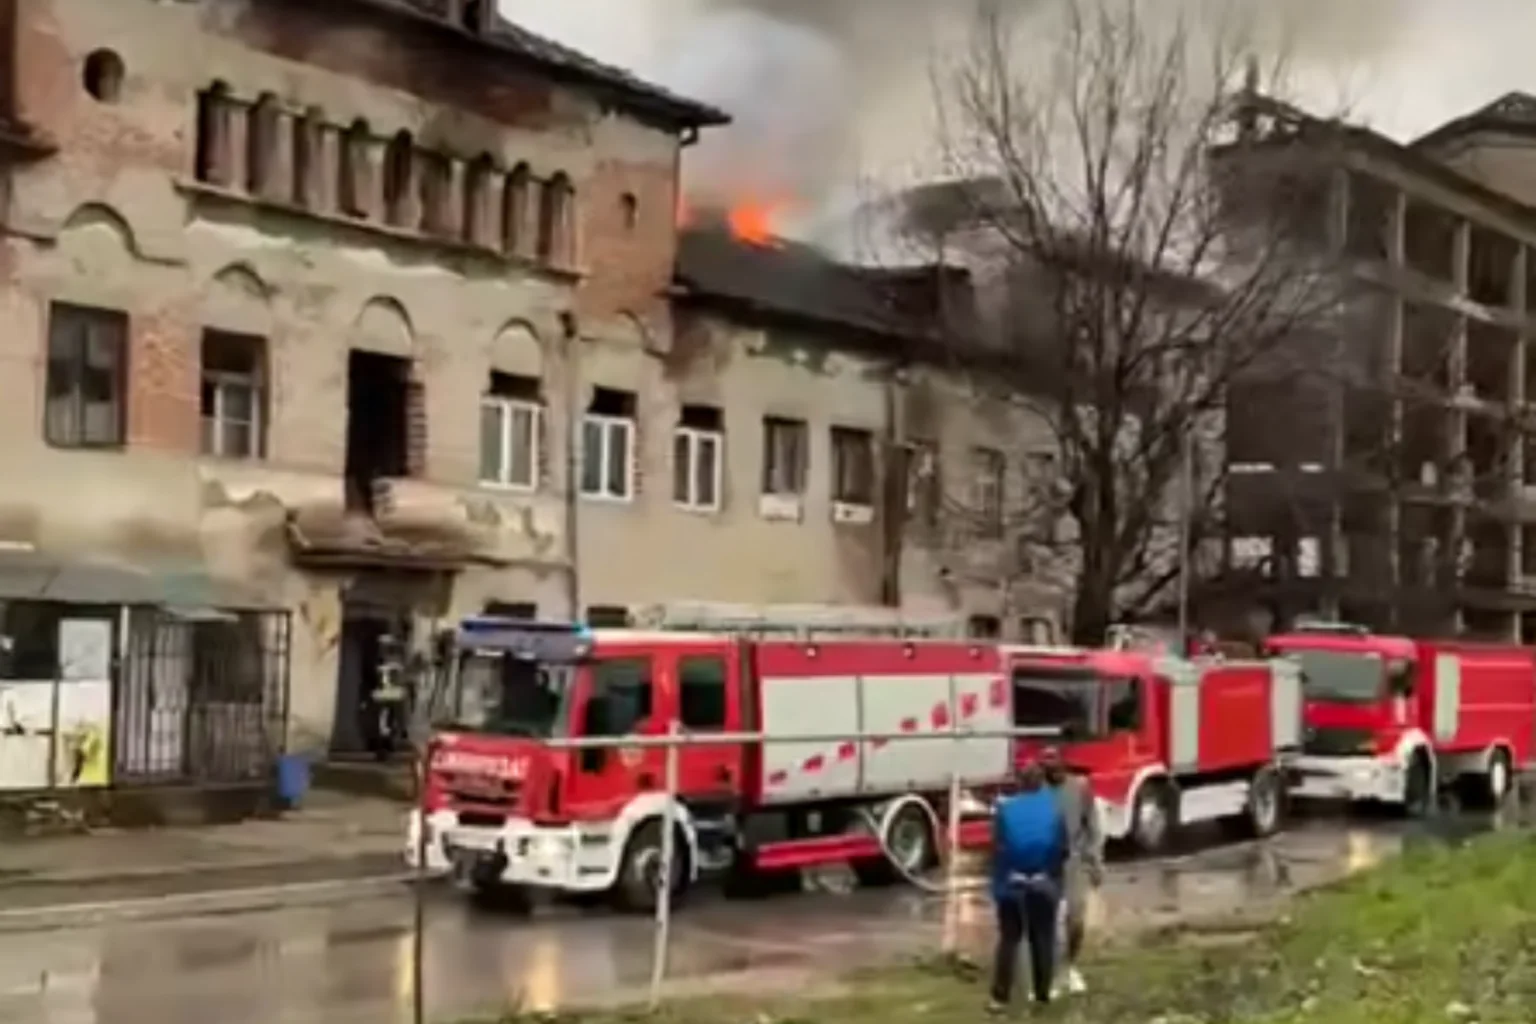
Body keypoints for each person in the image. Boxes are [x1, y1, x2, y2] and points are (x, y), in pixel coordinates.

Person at [988, 761, 1069, 1012]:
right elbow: (1062, 849)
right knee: (1042, 938)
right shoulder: (1054, 810)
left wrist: (1002, 882)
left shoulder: (1005, 810)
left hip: (1011, 884)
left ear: (1019, 785)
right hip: (1043, 883)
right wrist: (1050, 876)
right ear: (1041, 784)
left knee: (1009, 939)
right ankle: (1042, 996)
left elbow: (998, 849)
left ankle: (999, 998)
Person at [1041, 746, 1105, 997]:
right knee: (1049, 924)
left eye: (1054, 761)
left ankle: (1070, 966)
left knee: (1076, 921)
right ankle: (1052, 974)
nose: (1051, 768)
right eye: (1046, 763)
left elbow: (1094, 828)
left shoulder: (1080, 788)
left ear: (1063, 762)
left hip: (1076, 863)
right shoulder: (1037, 792)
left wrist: (1095, 862)